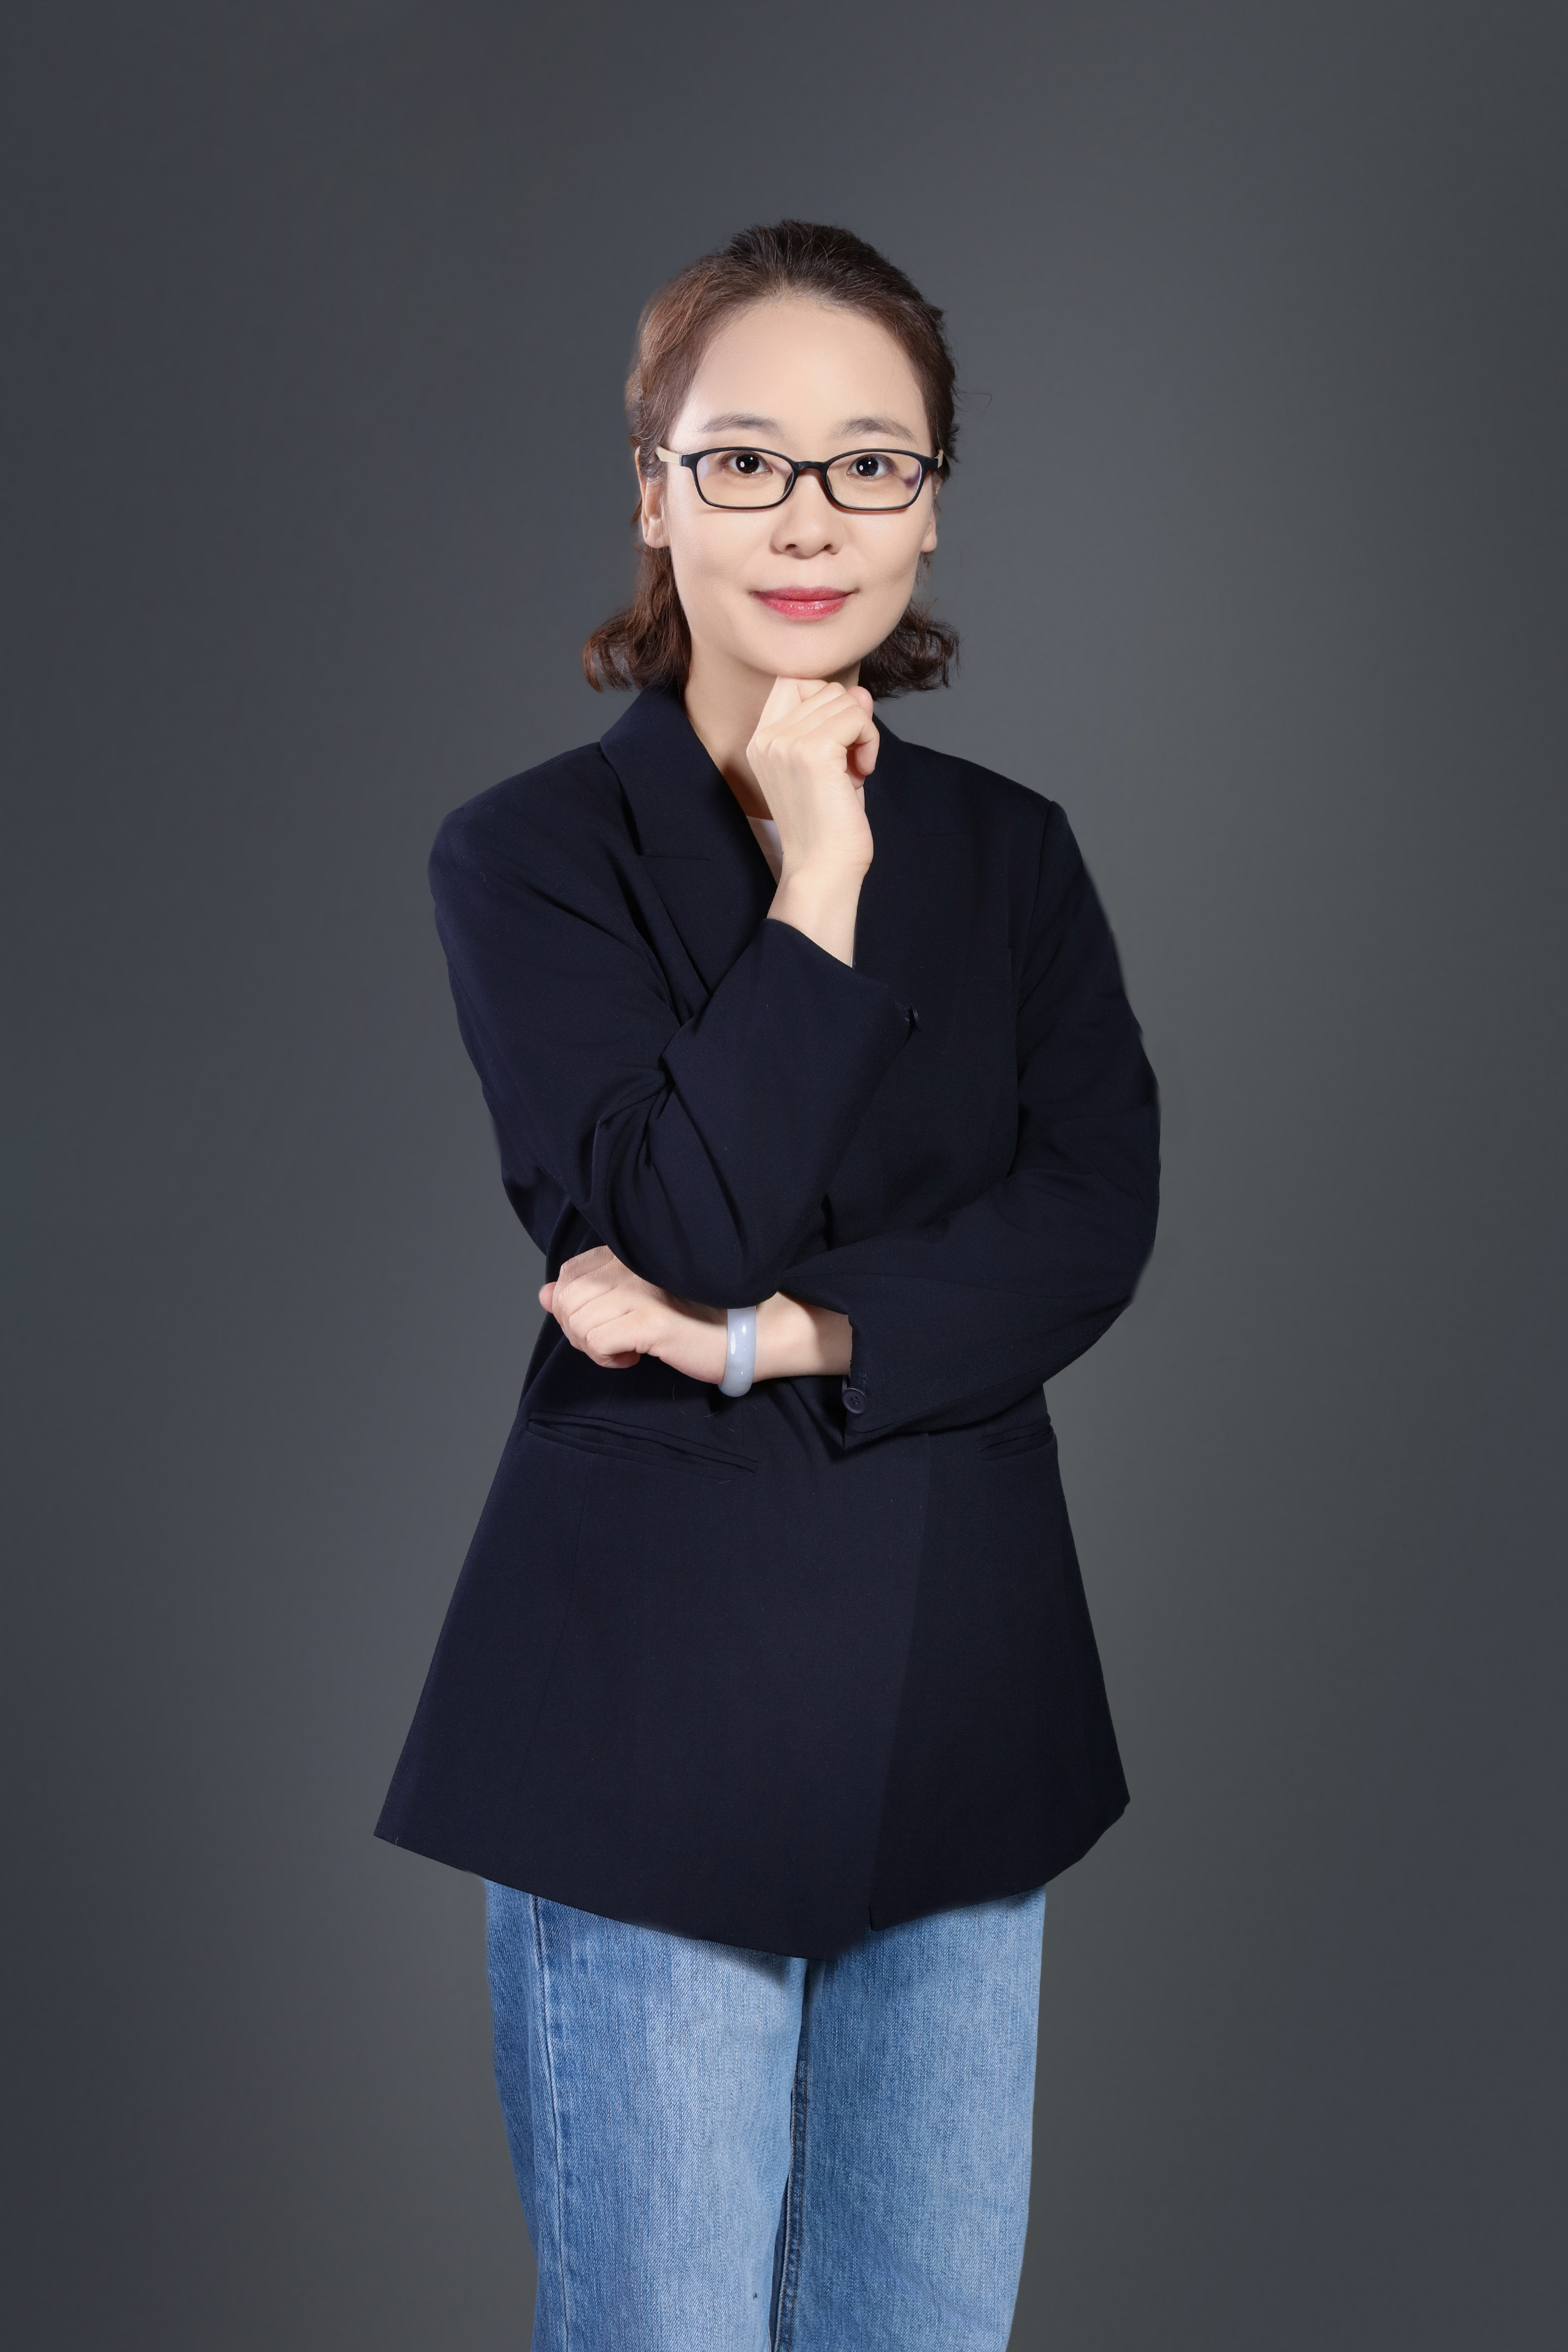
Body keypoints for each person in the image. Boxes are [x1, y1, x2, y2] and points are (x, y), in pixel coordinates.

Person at [376, 219, 1159, 2351]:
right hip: (646, 1716)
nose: (810, 519)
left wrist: (765, 1340)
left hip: (964, 1690)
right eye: (745, 461)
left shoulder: (1015, 853)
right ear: (655, 491)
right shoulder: (527, 854)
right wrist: (816, 877)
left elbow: (1090, 1223)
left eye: (869, 464)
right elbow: (679, 1211)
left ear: (932, 503)